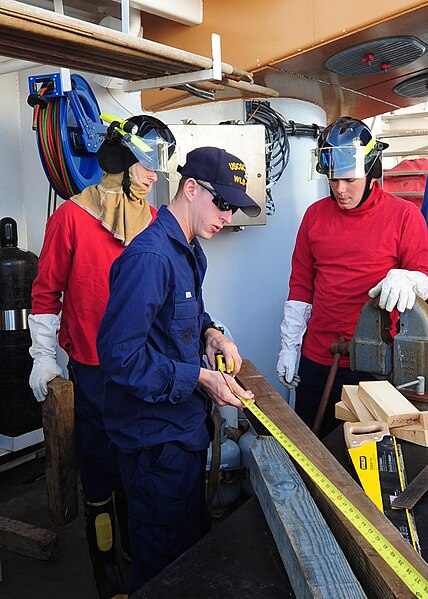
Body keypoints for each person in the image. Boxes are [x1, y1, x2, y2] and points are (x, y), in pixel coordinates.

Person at [96, 146, 260, 593]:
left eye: (234, 207)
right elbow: (119, 356)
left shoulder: (189, 252)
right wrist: (201, 379)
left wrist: (213, 335)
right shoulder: (150, 259)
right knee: (164, 567)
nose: (227, 216)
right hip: (155, 444)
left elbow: (187, 317)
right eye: (222, 203)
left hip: (184, 435)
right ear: (190, 189)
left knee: (189, 553)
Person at [28, 113, 176, 599]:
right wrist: (43, 356)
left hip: (142, 367)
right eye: (148, 163)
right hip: (91, 369)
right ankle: (104, 568)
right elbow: (47, 291)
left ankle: (137, 554)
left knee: (137, 459)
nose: (155, 175)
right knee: (98, 467)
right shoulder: (70, 217)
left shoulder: (152, 219)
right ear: (122, 160)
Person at [276, 116, 428, 438]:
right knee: (312, 451)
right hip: (317, 359)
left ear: (371, 172)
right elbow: (301, 286)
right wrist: (289, 347)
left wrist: (410, 279)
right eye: (333, 180)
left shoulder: (404, 217)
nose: (340, 190)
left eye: (349, 180)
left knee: (369, 462)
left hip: (376, 364)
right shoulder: (314, 216)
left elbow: (425, 278)